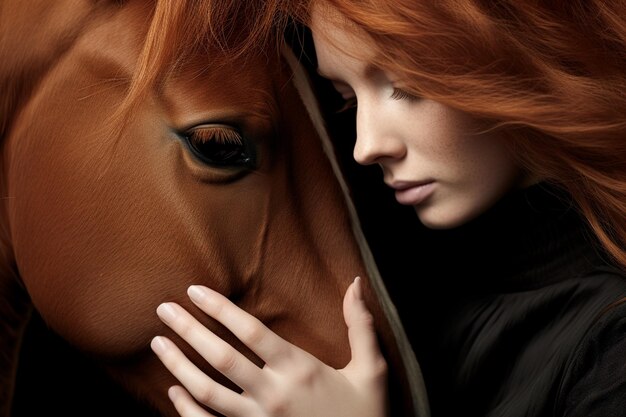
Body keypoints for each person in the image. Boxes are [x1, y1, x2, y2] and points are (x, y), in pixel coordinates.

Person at [149, 1, 626, 416]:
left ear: (519, 50)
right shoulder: (414, 285)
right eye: (346, 98)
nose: (366, 145)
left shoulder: (611, 348)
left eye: (403, 86)